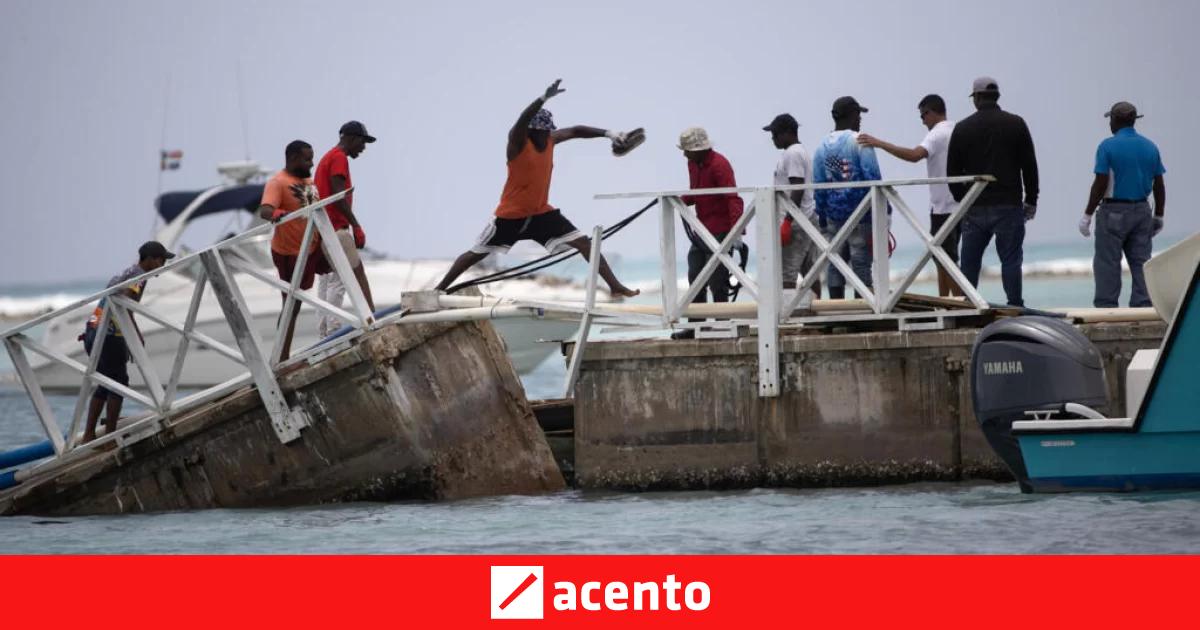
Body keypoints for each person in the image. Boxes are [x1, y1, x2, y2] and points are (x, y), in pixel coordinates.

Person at [434, 80, 640, 299]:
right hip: (510, 215)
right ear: (531, 132)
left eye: (548, 132)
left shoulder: (550, 140)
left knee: (584, 244)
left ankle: (615, 287)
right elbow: (522, 120)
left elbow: (576, 130)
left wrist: (611, 133)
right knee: (475, 254)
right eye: (541, 132)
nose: (546, 136)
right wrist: (542, 98)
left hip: (540, 213)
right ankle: (438, 289)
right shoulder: (517, 145)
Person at [946, 77, 1039, 307]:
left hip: (975, 206)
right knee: (1010, 260)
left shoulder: (963, 128)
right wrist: (1031, 199)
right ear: (997, 97)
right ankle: (1015, 304)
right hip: (1009, 204)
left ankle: (968, 304)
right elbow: (1029, 165)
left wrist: (962, 199)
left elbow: (952, 172)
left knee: (970, 262)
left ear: (976, 98)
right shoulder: (1016, 123)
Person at [858, 94, 963, 297]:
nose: (922, 121)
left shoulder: (937, 133)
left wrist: (879, 143)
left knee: (945, 258)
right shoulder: (957, 129)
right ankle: (946, 301)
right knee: (943, 256)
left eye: (923, 116)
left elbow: (915, 155)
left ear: (932, 112)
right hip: (960, 203)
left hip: (944, 205)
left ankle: (959, 302)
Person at [81, 241, 175, 442]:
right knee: (119, 383)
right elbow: (124, 304)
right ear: (149, 260)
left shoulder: (129, 272)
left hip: (93, 329)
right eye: (161, 260)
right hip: (108, 333)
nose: (163, 265)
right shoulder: (138, 277)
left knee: (107, 383)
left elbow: (119, 303)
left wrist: (131, 333)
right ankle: (109, 438)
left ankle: (90, 435)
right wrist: (134, 335)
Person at [1078, 101, 1166, 308]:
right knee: (1141, 262)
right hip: (1143, 210)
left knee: (1107, 263)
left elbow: (1101, 182)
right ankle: (1143, 306)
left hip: (1113, 211)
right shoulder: (1150, 146)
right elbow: (1159, 184)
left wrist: (1087, 215)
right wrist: (1159, 215)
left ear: (1115, 120)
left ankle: (1107, 307)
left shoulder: (1107, 146)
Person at [671, 126, 745, 340]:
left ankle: (722, 324)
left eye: (687, 150)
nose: (684, 154)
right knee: (695, 275)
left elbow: (733, 198)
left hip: (722, 230)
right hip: (702, 229)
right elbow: (696, 194)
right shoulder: (692, 163)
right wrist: (679, 200)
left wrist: (737, 231)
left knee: (718, 279)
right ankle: (696, 326)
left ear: (698, 149)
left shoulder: (720, 164)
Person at [812, 96, 883, 299]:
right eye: (858, 114)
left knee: (835, 262)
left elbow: (819, 185)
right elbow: (873, 177)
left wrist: (823, 216)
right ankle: (864, 307)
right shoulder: (860, 140)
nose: (860, 119)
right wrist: (884, 211)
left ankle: (836, 306)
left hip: (834, 215)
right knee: (860, 260)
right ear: (852, 115)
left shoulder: (821, 147)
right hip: (861, 214)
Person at [257, 140, 321, 361]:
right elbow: (265, 210)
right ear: (293, 158)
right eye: (307, 159)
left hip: (310, 248)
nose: (311, 164)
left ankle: (335, 332)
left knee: (340, 274)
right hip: (289, 252)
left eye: (312, 158)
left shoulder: (308, 181)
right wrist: (278, 215)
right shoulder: (278, 182)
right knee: (291, 305)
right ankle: (281, 357)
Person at [314, 121, 377, 338]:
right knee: (345, 279)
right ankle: (334, 332)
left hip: (324, 229)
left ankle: (324, 333)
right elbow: (338, 196)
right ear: (351, 138)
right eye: (362, 142)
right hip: (336, 229)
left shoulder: (327, 157)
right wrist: (356, 226)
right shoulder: (339, 158)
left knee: (327, 282)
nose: (363, 147)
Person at [762, 113, 820, 299]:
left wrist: (787, 221)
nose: (773, 138)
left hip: (796, 221)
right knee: (810, 270)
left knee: (787, 273)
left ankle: (787, 316)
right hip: (807, 217)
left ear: (788, 133)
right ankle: (816, 310)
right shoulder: (798, 152)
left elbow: (797, 187)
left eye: (776, 134)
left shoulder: (792, 153)